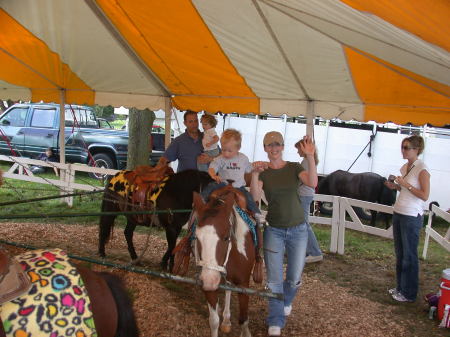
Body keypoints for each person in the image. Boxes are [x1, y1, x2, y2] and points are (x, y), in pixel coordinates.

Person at [251, 131, 317, 336]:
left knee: (294, 277)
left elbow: (312, 183)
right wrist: (254, 174)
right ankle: (275, 320)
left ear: (282, 146)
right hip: (274, 230)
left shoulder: (294, 167)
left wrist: (310, 157)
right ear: (264, 148)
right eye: (270, 145)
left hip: (299, 229)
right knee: (274, 280)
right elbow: (254, 196)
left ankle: (286, 301)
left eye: (277, 144)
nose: (274, 148)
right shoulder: (263, 171)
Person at [385, 135, 430, 303]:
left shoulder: (422, 169)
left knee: (409, 255)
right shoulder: (405, 167)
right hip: (399, 212)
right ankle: (400, 288)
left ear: (416, 149)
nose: (403, 150)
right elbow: (405, 190)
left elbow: (424, 195)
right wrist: (395, 186)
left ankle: (409, 293)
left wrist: (405, 184)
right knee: (400, 253)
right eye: (402, 147)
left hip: (412, 215)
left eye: (406, 147)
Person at [202, 129, 262, 223]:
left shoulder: (243, 158)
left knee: (248, 197)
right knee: (211, 186)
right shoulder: (220, 158)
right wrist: (213, 175)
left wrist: (256, 168)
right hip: (223, 184)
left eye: (229, 151)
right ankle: (201, 201)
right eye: (223, 149)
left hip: (238, 186)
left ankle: (257, 213)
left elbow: (249, 169)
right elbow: (212, 167)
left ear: (238, 148)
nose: (226, 153)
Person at [295, 139, 323, 263]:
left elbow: (301, 179)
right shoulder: (308, 161)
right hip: (305, 195)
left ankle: (315, 252)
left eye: (298, 149)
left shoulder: (306, 161)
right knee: (301, 224)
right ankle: (306, 250)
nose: (297, 151)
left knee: (304, 224)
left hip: (304, 195)